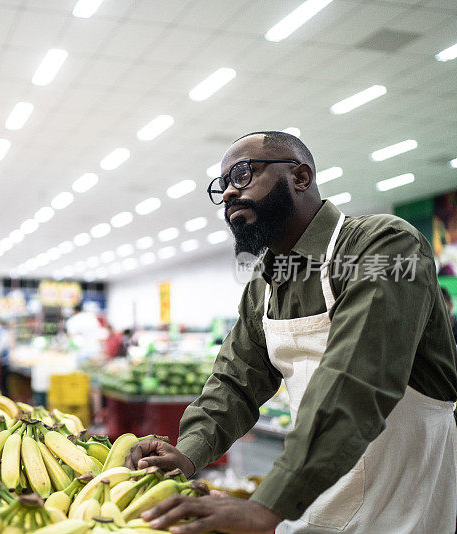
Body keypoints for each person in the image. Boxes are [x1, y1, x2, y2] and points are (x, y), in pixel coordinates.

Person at [127, 131, 457, 533]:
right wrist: (188, 452)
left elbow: (357, 380)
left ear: (300, 177)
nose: (230, 192)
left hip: (402, 505)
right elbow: (234, 383)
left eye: (243, 174)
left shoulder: (382, 246)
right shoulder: (264, 286)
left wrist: (266, 505)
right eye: (222, 185)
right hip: (313, 500)